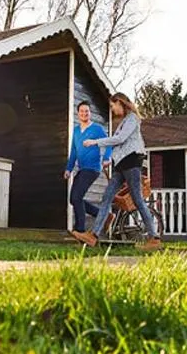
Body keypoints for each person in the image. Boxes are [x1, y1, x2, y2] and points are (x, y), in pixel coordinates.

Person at [71, 92, 162, 250]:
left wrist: (95, 142)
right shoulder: (123, 122)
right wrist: (109, 159)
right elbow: (118, 144)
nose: (112, 110)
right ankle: (93, 236)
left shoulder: (132, 118)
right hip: (121, 164)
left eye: (113, 106)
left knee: (138, 200)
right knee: (106, 197)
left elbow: (120, 140)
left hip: (132, 162)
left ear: (120, 103)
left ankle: (154, 238)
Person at [65, 101, 112, 234]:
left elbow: (108, 143)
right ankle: (104, 215)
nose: (84, 113)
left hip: (92, 168)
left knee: (76, 197)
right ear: (78, 113)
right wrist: (68, 168)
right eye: (82, 111)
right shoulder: (76, 130)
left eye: (87, 111)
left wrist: (107, 158)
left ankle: (80, 229)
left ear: (90, 113)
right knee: (73, 199)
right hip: (81, 168)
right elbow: (74, 151)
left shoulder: (97, 129)